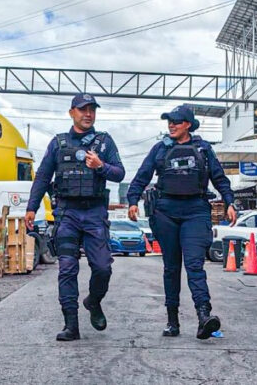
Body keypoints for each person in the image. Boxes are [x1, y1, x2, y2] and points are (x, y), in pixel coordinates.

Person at [126, 105, 236, 339]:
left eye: (176, 121)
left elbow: (219, 178)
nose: (171, 125)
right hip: (166, 212)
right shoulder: (160, 149)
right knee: (171, 268)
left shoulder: (203, 149)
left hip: (196, 211)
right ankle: (172, 321)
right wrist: (132, 200)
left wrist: (229, 202)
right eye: (169, 122)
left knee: (195, 265)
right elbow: (141, 177)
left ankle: (204, 317)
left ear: (188, 124)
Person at [25, 94, 125, 341]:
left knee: (102, 268)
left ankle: (93, 301)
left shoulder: (104, 142)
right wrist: (31, 207)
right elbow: (42, 177)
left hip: (94, 213)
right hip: (67, 213)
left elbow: (120, 173)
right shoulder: (58, 143)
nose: (88, 114)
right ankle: (71, 325)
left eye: (92, 109)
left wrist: (100, 166)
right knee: (67, 269)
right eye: (82, 109)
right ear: (72, 112)